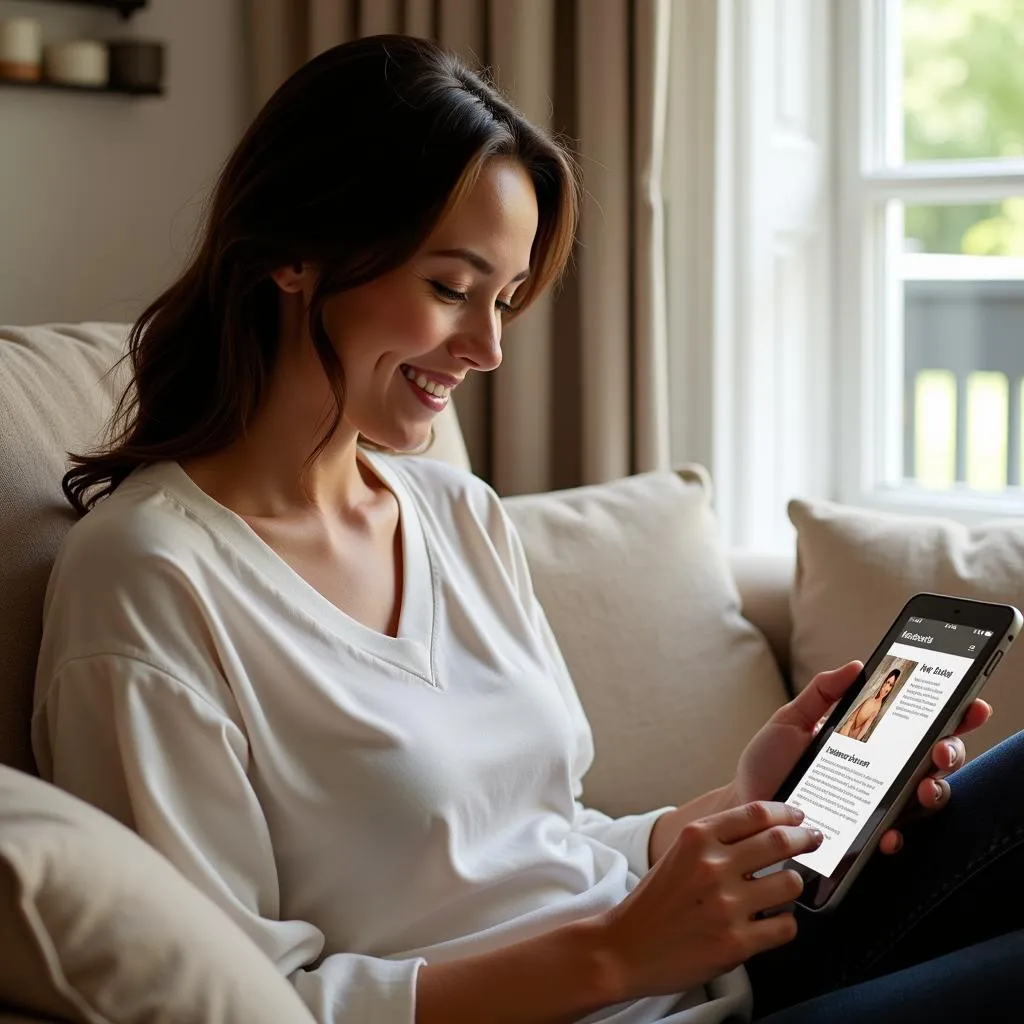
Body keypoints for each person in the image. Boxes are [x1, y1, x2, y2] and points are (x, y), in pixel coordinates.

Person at [30, 35, 1024, 1024]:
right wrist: (612, 957)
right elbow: (239, 1001)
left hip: (707, 973)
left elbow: (546, 841)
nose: (488, 347)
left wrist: (732, 800)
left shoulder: (452, 511)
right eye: (451, 288)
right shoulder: (149, 577)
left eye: (504, 299)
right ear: (294, 253)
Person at [836, 668, 901, 742]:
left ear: (892, 688)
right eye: (887, 682)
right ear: (884, 682)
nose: (886, 687)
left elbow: (866, 727)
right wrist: (845, 730)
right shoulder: (869, 698)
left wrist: (856, 740)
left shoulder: (877, 708)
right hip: (846, 730)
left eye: (890, 685)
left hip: (854, 737)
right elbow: (852, 717)